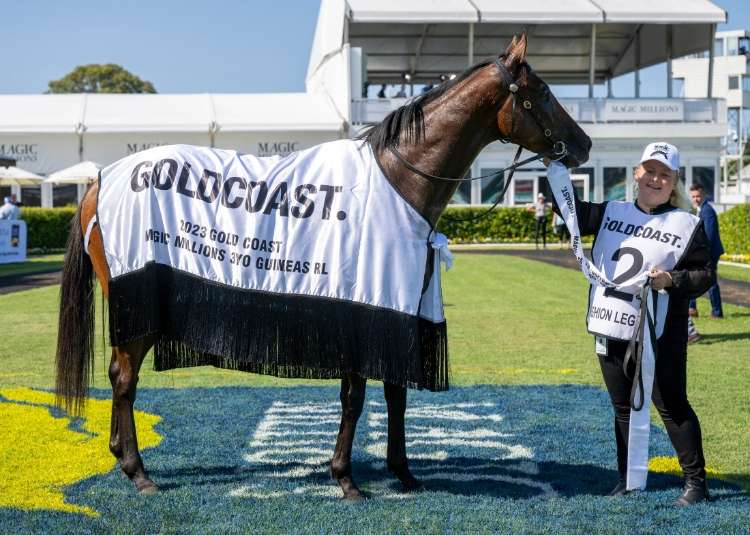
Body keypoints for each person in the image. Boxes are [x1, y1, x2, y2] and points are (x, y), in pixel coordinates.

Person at [549, 142, 715, 505]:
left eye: (664, 174)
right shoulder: (610, 211)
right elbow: (567, 207)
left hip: (659, 333)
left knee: (671, 406)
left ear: (674, 182)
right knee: (622, 406)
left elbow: (704, 275)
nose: (655, 179)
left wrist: (670, 280)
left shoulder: (687, 223)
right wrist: (554, 165)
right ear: (637, 174)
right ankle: (627, 478)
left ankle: (696, 484)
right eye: (649, 171)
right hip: (610, 325)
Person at [688, 184, 724, 318]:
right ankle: (692, 308)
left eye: (698, 196)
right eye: (693, 196)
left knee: (710, 281)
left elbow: (709, 235)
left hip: (710, 252)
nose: (695, 199)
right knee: (693, 277)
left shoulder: (707, 210)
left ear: (703, 195)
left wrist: (701, 253)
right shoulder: (699, 209)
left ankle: (717, 312)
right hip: (704, 251)